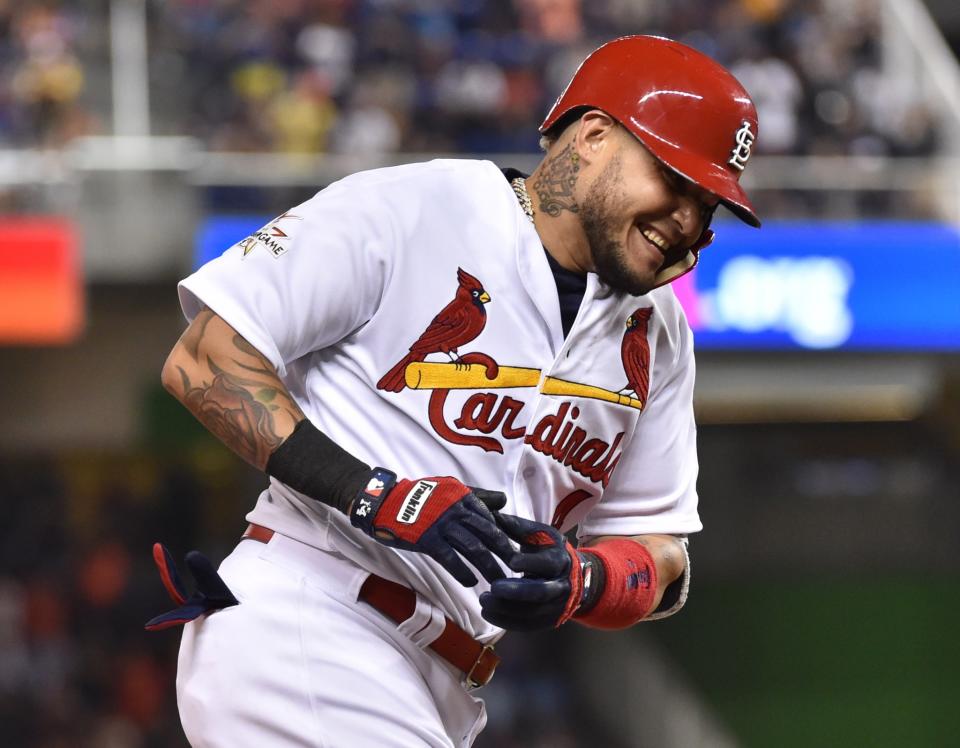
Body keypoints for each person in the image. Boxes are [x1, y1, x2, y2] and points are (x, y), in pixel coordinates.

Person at [150, 34, 760, 748]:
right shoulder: (414, 208)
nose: (690, 222)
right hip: (310, 621)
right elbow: (204, 361)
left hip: (442, 679)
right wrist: (373, 492)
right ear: (593, 136)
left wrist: (583, 580)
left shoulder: (657, 333)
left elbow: (659, 553)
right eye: (675, 183)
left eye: (710, 206)